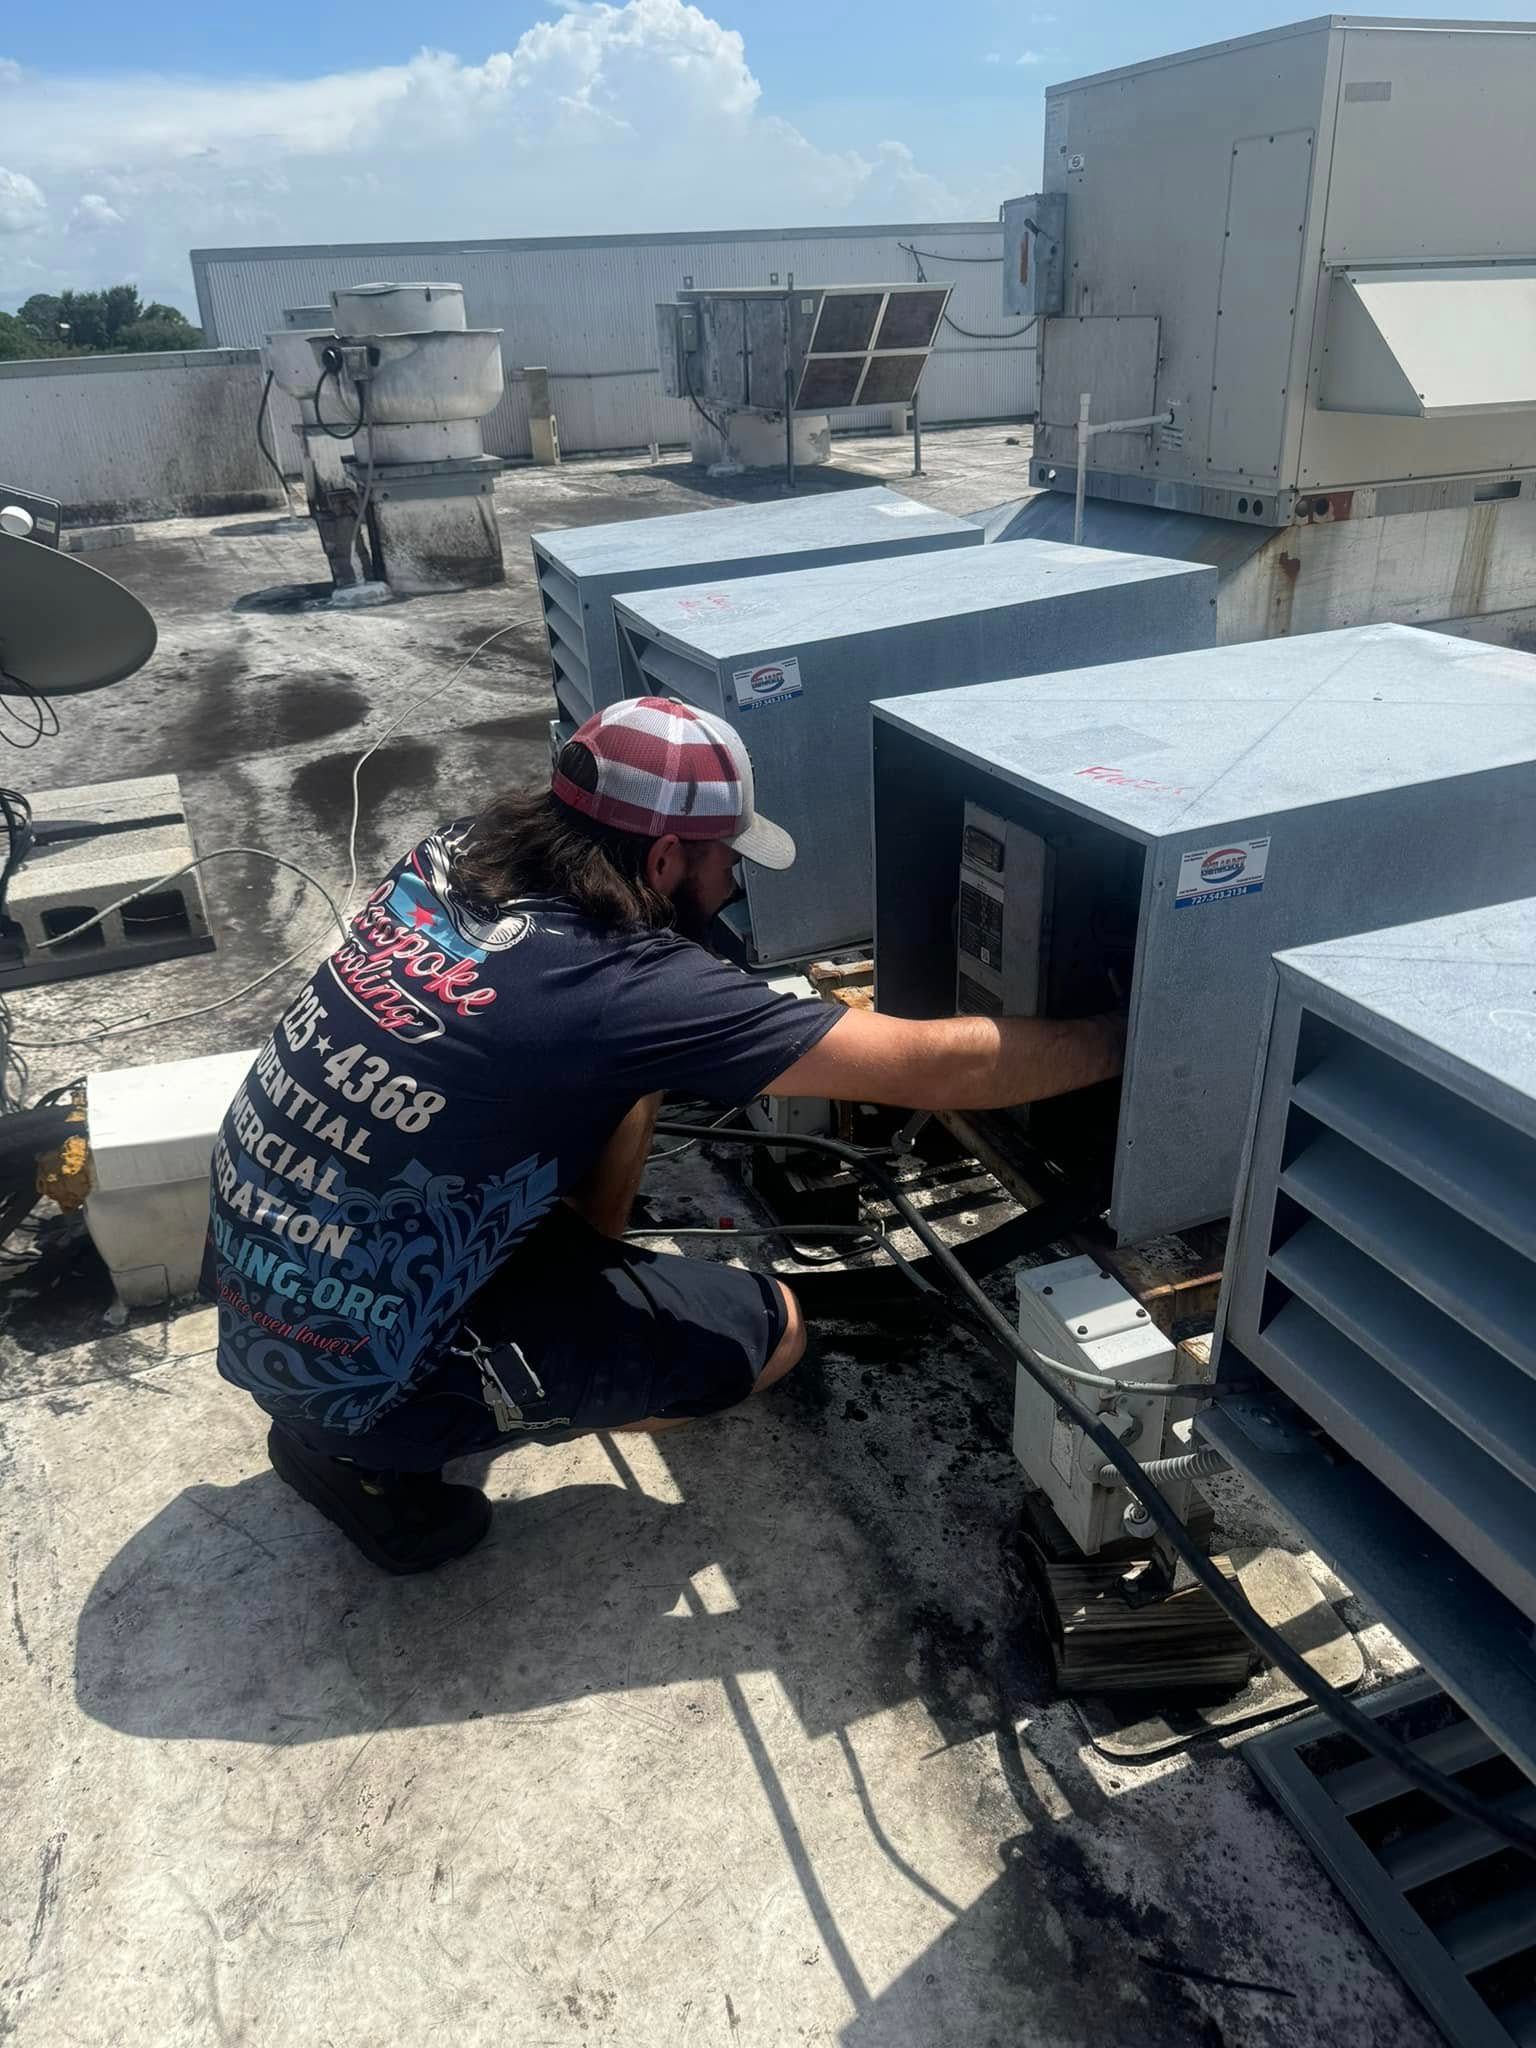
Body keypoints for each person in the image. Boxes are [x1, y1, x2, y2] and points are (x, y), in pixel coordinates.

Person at [205, 696, 1123, 1573]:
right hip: (346, 1379)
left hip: (263, 1282)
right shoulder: (621, 988)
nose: (734, 887)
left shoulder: (452, 858)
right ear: (663, 863)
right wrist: (1130, 1036)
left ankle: (450, 1359)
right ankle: (367, 1455)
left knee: (595, 1111)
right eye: (729, 862)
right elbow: (940, 1067)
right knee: (772, 1334)